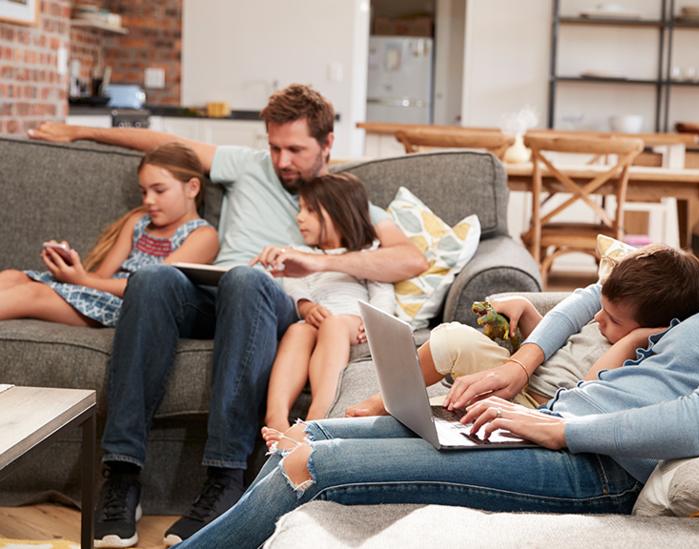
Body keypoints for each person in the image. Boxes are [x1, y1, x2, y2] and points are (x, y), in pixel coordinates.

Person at [172, 105, 699, 549]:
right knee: (316, 430)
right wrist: (517, 368)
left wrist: (553, 426)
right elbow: (595, 292)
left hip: (596, 469)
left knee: (311, 462)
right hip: (551, 427)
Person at [28, 84, 427, 548]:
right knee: (155, 278)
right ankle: (121, 473)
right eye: (275, 147)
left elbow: (409, 258)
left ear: (327, 145)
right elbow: (164, 146)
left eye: (295, 150)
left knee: (244, 279)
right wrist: (76, 131)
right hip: (208, 293)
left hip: (270, 301)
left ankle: (224, 479)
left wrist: (317, 262)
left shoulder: (343, 199)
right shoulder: (244, 164)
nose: (282, 161)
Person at [343, 244, 699, 418]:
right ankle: (386, 399)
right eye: (602, 309)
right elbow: (556, 346)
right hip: (521, 375)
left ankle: (402, 408)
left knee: (450, 384)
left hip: (535, 407)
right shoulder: (609, 319)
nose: (599, 320)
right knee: (452, 336)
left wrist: (631, 340)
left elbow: (592, 390)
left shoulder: (636, 350)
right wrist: (529, 314)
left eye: (613, 321)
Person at [0, 142, 218, 327]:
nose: (148, 200)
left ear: (192, 188)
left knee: (32, 294)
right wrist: (71, 267)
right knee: (13, 276)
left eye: (159, 191)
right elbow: (102, 276)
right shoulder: (138, 222)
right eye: (144, 191)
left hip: (129, 305)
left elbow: (153, 287)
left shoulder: (202, 235)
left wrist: (82, 280)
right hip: (99, 290)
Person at [262, 172, 395, 441]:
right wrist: (307, 307)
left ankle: (315, 418)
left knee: (333, 324)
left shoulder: (366, 253)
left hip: (351, 319)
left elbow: (383, 290)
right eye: (300, 209)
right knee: (298, 330)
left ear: (338, 212)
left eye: (310, 210)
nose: (299, 217)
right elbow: (292, 284)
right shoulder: (299, 253)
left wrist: (373, 323)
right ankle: (276, 417)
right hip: (315, 318)